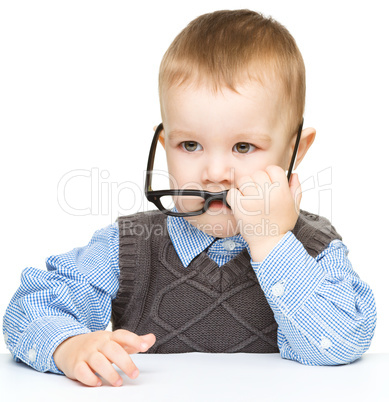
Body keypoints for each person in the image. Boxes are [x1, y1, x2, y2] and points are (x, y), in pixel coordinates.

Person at [2, 9, 376, 387]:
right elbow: (26, 308)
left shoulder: (312, 246)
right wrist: (68, 344)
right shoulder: (129, 247)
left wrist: (272, 241)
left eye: (243, 146)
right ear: (165, 145)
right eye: (190, 145)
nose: (214, 172)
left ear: (296, 150)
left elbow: (342, 341)